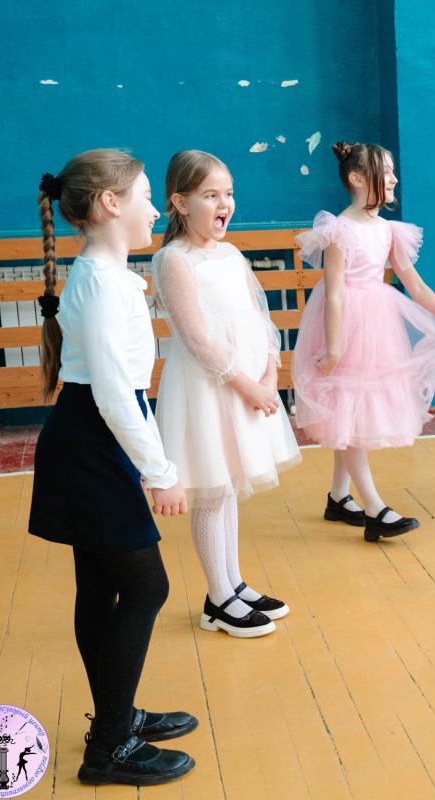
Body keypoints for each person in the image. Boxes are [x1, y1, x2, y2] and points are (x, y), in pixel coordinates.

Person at [28, 149, 197, 784]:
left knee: (101, 589)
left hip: (92, 441)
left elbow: (121, 394)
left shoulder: (108, 276)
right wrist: (160, 472)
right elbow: (114, 395)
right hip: (94, 445)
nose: (155, 210)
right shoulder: (99, 282)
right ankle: (110, 749)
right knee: (147, 589)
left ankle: (115, 719)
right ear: (109, 203)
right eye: (146, 197)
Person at [152, 150, 302, 637]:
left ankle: (233, 583)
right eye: (211, 195)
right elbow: (197, 339)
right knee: (212, 490)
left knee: (230, 484)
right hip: (210, 390)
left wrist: (270, 372)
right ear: (180, 202)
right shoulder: (174, 260)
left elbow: (259, 315)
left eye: (229, 194)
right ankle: (218, 599)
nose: (225, 204)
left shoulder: (231, 254)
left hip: (247, 386)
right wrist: (248, 385)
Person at [292, 142, 435, 540]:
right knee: (349, 408)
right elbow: (335, 293)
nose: (394, 178)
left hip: (377, 323)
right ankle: (374, 509)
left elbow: (414, 284)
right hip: (347, 324)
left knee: (351, 411)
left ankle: (339, 496)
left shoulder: (388, 230)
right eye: (385, 172)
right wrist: (334, 348)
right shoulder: (339, 230)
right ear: (356, 178)